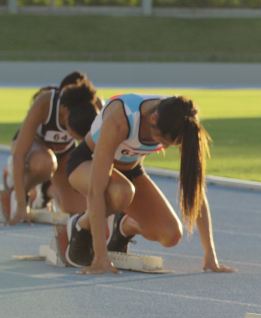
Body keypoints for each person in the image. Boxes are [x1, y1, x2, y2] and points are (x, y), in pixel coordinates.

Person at [65, 93, 235, 275]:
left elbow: (195, 190)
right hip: (85, 163)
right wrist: (100, 257)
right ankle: (80, 224)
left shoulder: (179, 122)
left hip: (131, 172)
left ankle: (124, 227)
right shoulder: (121, 118)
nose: (163, 146)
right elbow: (95, 191)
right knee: (122, 192)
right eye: (161, 140)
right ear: (153, 118)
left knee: (170, 235)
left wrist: (210, 255)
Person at [3, 71, 100, 225]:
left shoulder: (92, 107)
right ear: (67, 111)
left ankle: (45, 191)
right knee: (45, 163)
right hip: (34, 151)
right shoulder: (45, 103)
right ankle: (15, 188)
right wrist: (21, 206)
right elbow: (19, 154)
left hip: (63, 152)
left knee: (76, 207)